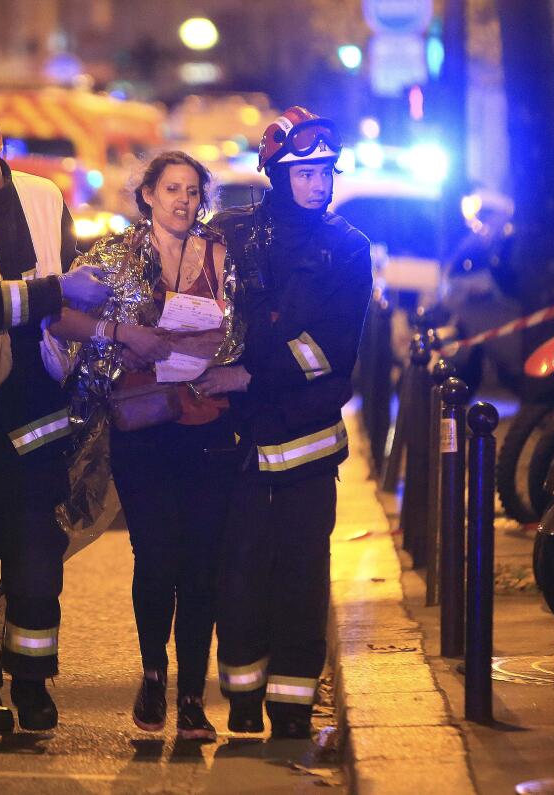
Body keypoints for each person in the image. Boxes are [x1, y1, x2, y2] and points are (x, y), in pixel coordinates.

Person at [0, 100, 168, 733]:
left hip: (35, 408)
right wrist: (60, 292)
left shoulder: (46, 199)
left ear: (1, 139)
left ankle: (32, 686)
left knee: (36, 561)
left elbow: (67, 290)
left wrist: (110, 327)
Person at [201, 106, 372, 739]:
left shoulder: (349, 249)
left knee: (301, 579)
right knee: (238, 572)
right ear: (277, 173)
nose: (317, 183)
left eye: (324, 171)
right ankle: (243, 697)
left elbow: (331, 351)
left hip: (305, 443)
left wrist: (248, 372)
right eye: (303, 173)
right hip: (239, 444)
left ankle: (293, 707)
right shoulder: (233, 236)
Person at [69, 151, 244, 740]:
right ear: (147, 194)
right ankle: (152, 674)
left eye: (192, 192)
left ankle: (192, 695)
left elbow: (246, 330)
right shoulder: (116, 256)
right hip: (142, 426)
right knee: (156, 556)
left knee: (200, 562)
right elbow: (66, 320)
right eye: (172, 189)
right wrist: (123, 336)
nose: (183, 201)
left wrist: (227, 361)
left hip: (208, 426)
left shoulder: (224, 255)